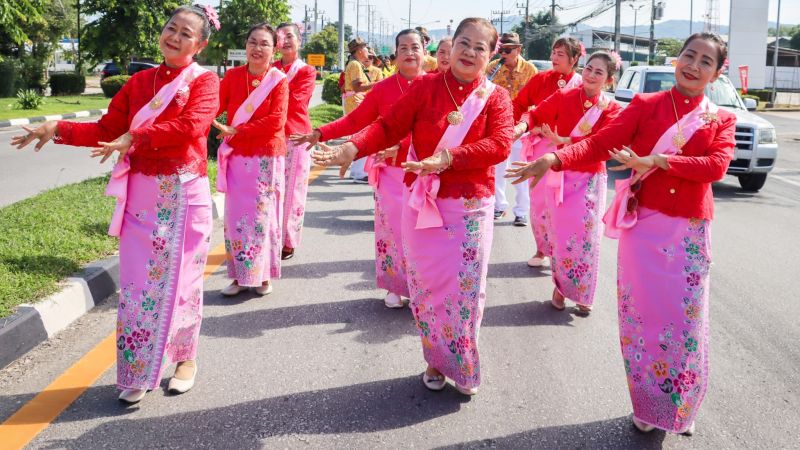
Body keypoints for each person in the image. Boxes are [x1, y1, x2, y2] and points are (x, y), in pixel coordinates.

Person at [507, 33, 735, 436]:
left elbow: (716, 166)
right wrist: (554, 157)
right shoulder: (646, 106)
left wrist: (659, 160)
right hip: (643, 224)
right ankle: (648, 404)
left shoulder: (721, 118)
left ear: (718, 72)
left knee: (684, 319)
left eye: (705, 61)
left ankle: (678, 403)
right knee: (641, 317)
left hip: (689, 229)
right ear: (676, 58)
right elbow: (602, 143)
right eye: (688, 55)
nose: (693, 65)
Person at [12, 4, 221, 404]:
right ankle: (138, 371)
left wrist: (136, 138)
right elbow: (107, 129)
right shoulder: (140, 81)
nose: (174, 38)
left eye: (185, 34)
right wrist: (58, 128)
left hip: (182, 196)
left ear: (200, 45)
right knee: (138, 287)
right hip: (141, 198)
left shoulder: (204, 82)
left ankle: (184, 359)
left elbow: (191, 127)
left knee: (182, 285)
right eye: (170, 28)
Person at [312, 18, 513, 396]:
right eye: (463, 43)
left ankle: (463, 361)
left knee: (466, 290)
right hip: (422, 204)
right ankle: (435, 358)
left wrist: (448, 158)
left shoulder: (496, 98)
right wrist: (352, 148)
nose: (470, 52)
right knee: (427, 288)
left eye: (480, 47)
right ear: (450, 48)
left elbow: (501, 145)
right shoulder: (425, 87)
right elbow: (388, 126)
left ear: (490, 56)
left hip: (470, 206)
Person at [291, 28, 427, 309]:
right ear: (395, 54)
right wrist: (320, 132)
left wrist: (402, 145)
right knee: (392, 230)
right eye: (403, 48)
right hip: (390, 172)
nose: (410, 53)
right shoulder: (384, 88)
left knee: (424, 233)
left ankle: (424, 287)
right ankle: (395, 286)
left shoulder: (436, 86)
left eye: (415, 47)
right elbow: (355, 121)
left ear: (425, 52)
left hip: (427, 174)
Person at [511, 51, 621, 315]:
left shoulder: (612, 109)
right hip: (560, 174)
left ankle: (584, 292)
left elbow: (602, 146)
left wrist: (564, 142)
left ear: (608, 80)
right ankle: (561, 287)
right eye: (589, 69)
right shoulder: (565, 96)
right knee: (561, 237)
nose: (591, 75)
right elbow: (535, 114)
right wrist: (520, 127)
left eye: (599, 72)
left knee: (586, 240)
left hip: (590, 179)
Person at [214, 23, 289, 297]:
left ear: (274, 49)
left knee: (262, 217)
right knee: (235, 217)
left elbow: (276, 120)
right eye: (252, 42)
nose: (257, 48)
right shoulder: (233, 76)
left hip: (265, 157)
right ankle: (238, 276)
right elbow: (215, 106)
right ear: (245, 45)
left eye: (264, 43)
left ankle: (264, 275)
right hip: (237, 156)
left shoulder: (278, 80)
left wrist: (238, 129)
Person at [512, 36, 583, 267]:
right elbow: (519, 104)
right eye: (553, 52)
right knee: (540, 201)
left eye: (560, 54)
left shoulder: (583, 84)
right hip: (541, 146)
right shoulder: (540, 79)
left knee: (565, 204)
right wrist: (517, 126)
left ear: (574, 59)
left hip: (569, 150)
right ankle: (542, 249)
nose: (553, 58)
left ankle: (563, 252)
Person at [274, 22, 317, 261]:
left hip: (297, 136)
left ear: (299, 40)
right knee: (274, 190)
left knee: (294, 191)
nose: (286, 40)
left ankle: (288, 240)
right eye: (281, 37)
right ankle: (271, 236)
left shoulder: (306, 71)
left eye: (290, 36)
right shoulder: (268, 68)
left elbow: (298, 102)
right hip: (271, 136)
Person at [485, 32, 537, 226]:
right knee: (498, 170)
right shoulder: (493, 68)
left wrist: (525, 125)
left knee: (520, 170)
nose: (503, 54)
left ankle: (521, 211)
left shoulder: (530, 70)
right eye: (501, 50)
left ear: (518, 50)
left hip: (521, 128)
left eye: (508, 50)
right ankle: (499, 205)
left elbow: (536, 101)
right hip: (497, 127)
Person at [342, 38, 377, 183]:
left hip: (354, 103)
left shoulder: (355, 63)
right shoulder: (356, 64)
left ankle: (357, 171)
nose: (368, 52)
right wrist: (377, 84)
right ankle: (358, 172)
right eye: (366, 48)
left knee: (360, 136)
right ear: (360, 50)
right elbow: (357, 87)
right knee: (362, 137)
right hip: (356, 103)